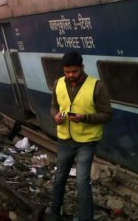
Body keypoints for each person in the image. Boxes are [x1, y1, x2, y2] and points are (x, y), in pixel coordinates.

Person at [50, 51, 112, 221]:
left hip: (87, 141)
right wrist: (55, 116)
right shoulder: (58, 83)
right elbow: (54, 106)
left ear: (82, 68)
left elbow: (107, 114)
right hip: (64, 139)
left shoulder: (96, 86)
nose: (70, 75)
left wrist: (84, 118)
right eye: (67, 72)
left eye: (74, 72)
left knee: (81, 182)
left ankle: (86, 218)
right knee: (59, 178)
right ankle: (54, 214)